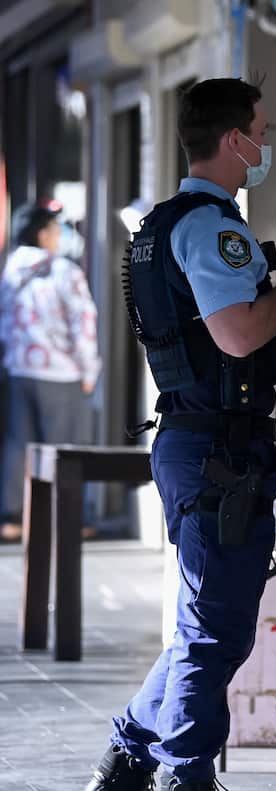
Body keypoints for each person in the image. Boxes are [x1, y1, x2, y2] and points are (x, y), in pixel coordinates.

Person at [72, 77, 276, 791]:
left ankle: (122, 773)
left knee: (205, 625)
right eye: (260, 129)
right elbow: (241, 335)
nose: (266, 143)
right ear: (232, 140)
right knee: (213, 631)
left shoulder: (158, 224)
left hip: (197, 440)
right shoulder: (216, 229)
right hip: (221, 449)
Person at [0, 199, 101, 541]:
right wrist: (90, 370)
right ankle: (68, 518)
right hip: (61, 372)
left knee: (19, 444)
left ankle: (15, 518)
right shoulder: (64, 271)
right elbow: (83, 324)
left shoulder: (11, 269)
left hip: (20, 369)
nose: (59, 236)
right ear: (42, 234)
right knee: (66, 448)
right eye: (55, 230)